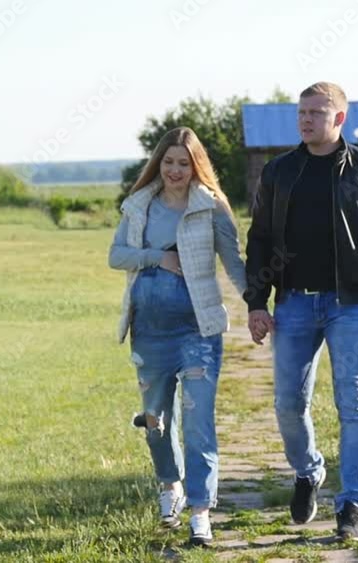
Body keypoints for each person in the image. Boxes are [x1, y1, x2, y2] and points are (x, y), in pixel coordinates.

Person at [242, 82, 358, 541]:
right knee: (288, 404)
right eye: (302, 112)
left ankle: (351, 504)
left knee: (354, 406)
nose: (306, 119)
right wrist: (256, 302)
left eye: (316, 112)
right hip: (293, 304)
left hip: (350, 306)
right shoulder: (279, 172)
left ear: (339, 118)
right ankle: (308, 470)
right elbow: (259, 240)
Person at [109, 126, 247, 546]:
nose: (174, 170)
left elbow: (234, 262)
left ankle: (201, 512)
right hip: (149, 332)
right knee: (155, 421)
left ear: (195, 166)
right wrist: (158, 258)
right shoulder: (140, 205)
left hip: (197, 331)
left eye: (183, 163)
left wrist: (258, 306)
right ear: (158, 164)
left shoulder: (211, 207)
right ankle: (170, 485)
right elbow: (116, 256)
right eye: (168, 162)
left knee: (198, 421)